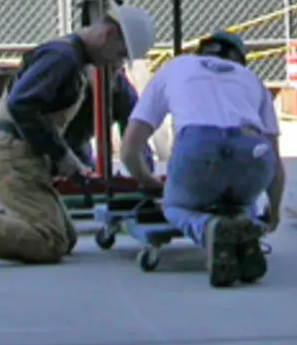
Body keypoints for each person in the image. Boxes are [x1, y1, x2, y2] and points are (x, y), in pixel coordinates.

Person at [0, 3, 156, 268]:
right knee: (50, 241)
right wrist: (63, 156)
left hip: (20, 156)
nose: (116, 63)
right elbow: (23, 106)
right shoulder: (62, 59)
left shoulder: (69, 56)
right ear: (108, 35)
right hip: (10, 158)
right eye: (119, 54)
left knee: (66, 237)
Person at [119, 31, 287, 288]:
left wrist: (147, 179)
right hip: (251, 149)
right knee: (244, 205)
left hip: (200, 148)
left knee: (175, 207)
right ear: (239, 59)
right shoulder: (251, 79)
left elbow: (130, 147)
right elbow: (274, 159)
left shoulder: (175, 68)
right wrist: (273, 212)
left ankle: (206, 227)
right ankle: (247, 226)